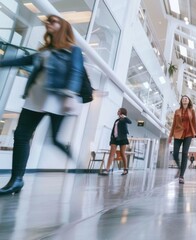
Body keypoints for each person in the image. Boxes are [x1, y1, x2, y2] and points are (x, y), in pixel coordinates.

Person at [0, 15, 84, 195]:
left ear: (63, 27)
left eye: (53, 21)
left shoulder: (73, 50)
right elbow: (19, 61)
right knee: (21, 136)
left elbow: (76, 72)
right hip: (35, 98)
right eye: (47, 21)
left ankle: (76, 162)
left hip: (58, 99)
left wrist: (71, 94)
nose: (48, 23)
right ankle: (17, 180)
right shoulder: (44, 50)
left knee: (54, 139)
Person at [168, 95, 196, 184]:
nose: (185, 99)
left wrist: (195, 133)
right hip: (178, 133)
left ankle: (181, 176)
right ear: (181, 101)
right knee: (175, 154)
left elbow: (194, 123)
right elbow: (173, 124)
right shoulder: (177, 111)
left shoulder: (192, 111)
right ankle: (180, 168)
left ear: (188, 101)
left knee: (185, 153)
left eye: (186, 98)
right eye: (183, 98)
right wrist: (170, 136)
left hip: (188, 134)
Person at [100, 108, 132, 176]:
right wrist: (111, 138)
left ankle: (125, 169)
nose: (117, 111)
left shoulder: (124, 119)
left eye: (119, 111)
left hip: (122, 138)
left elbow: (130, 122)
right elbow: (114, 130)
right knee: (111, 154)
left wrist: (124, 117)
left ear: (122, 112)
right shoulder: (116, 120)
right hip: (114, 139)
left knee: (122, 153)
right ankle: (107, 170)